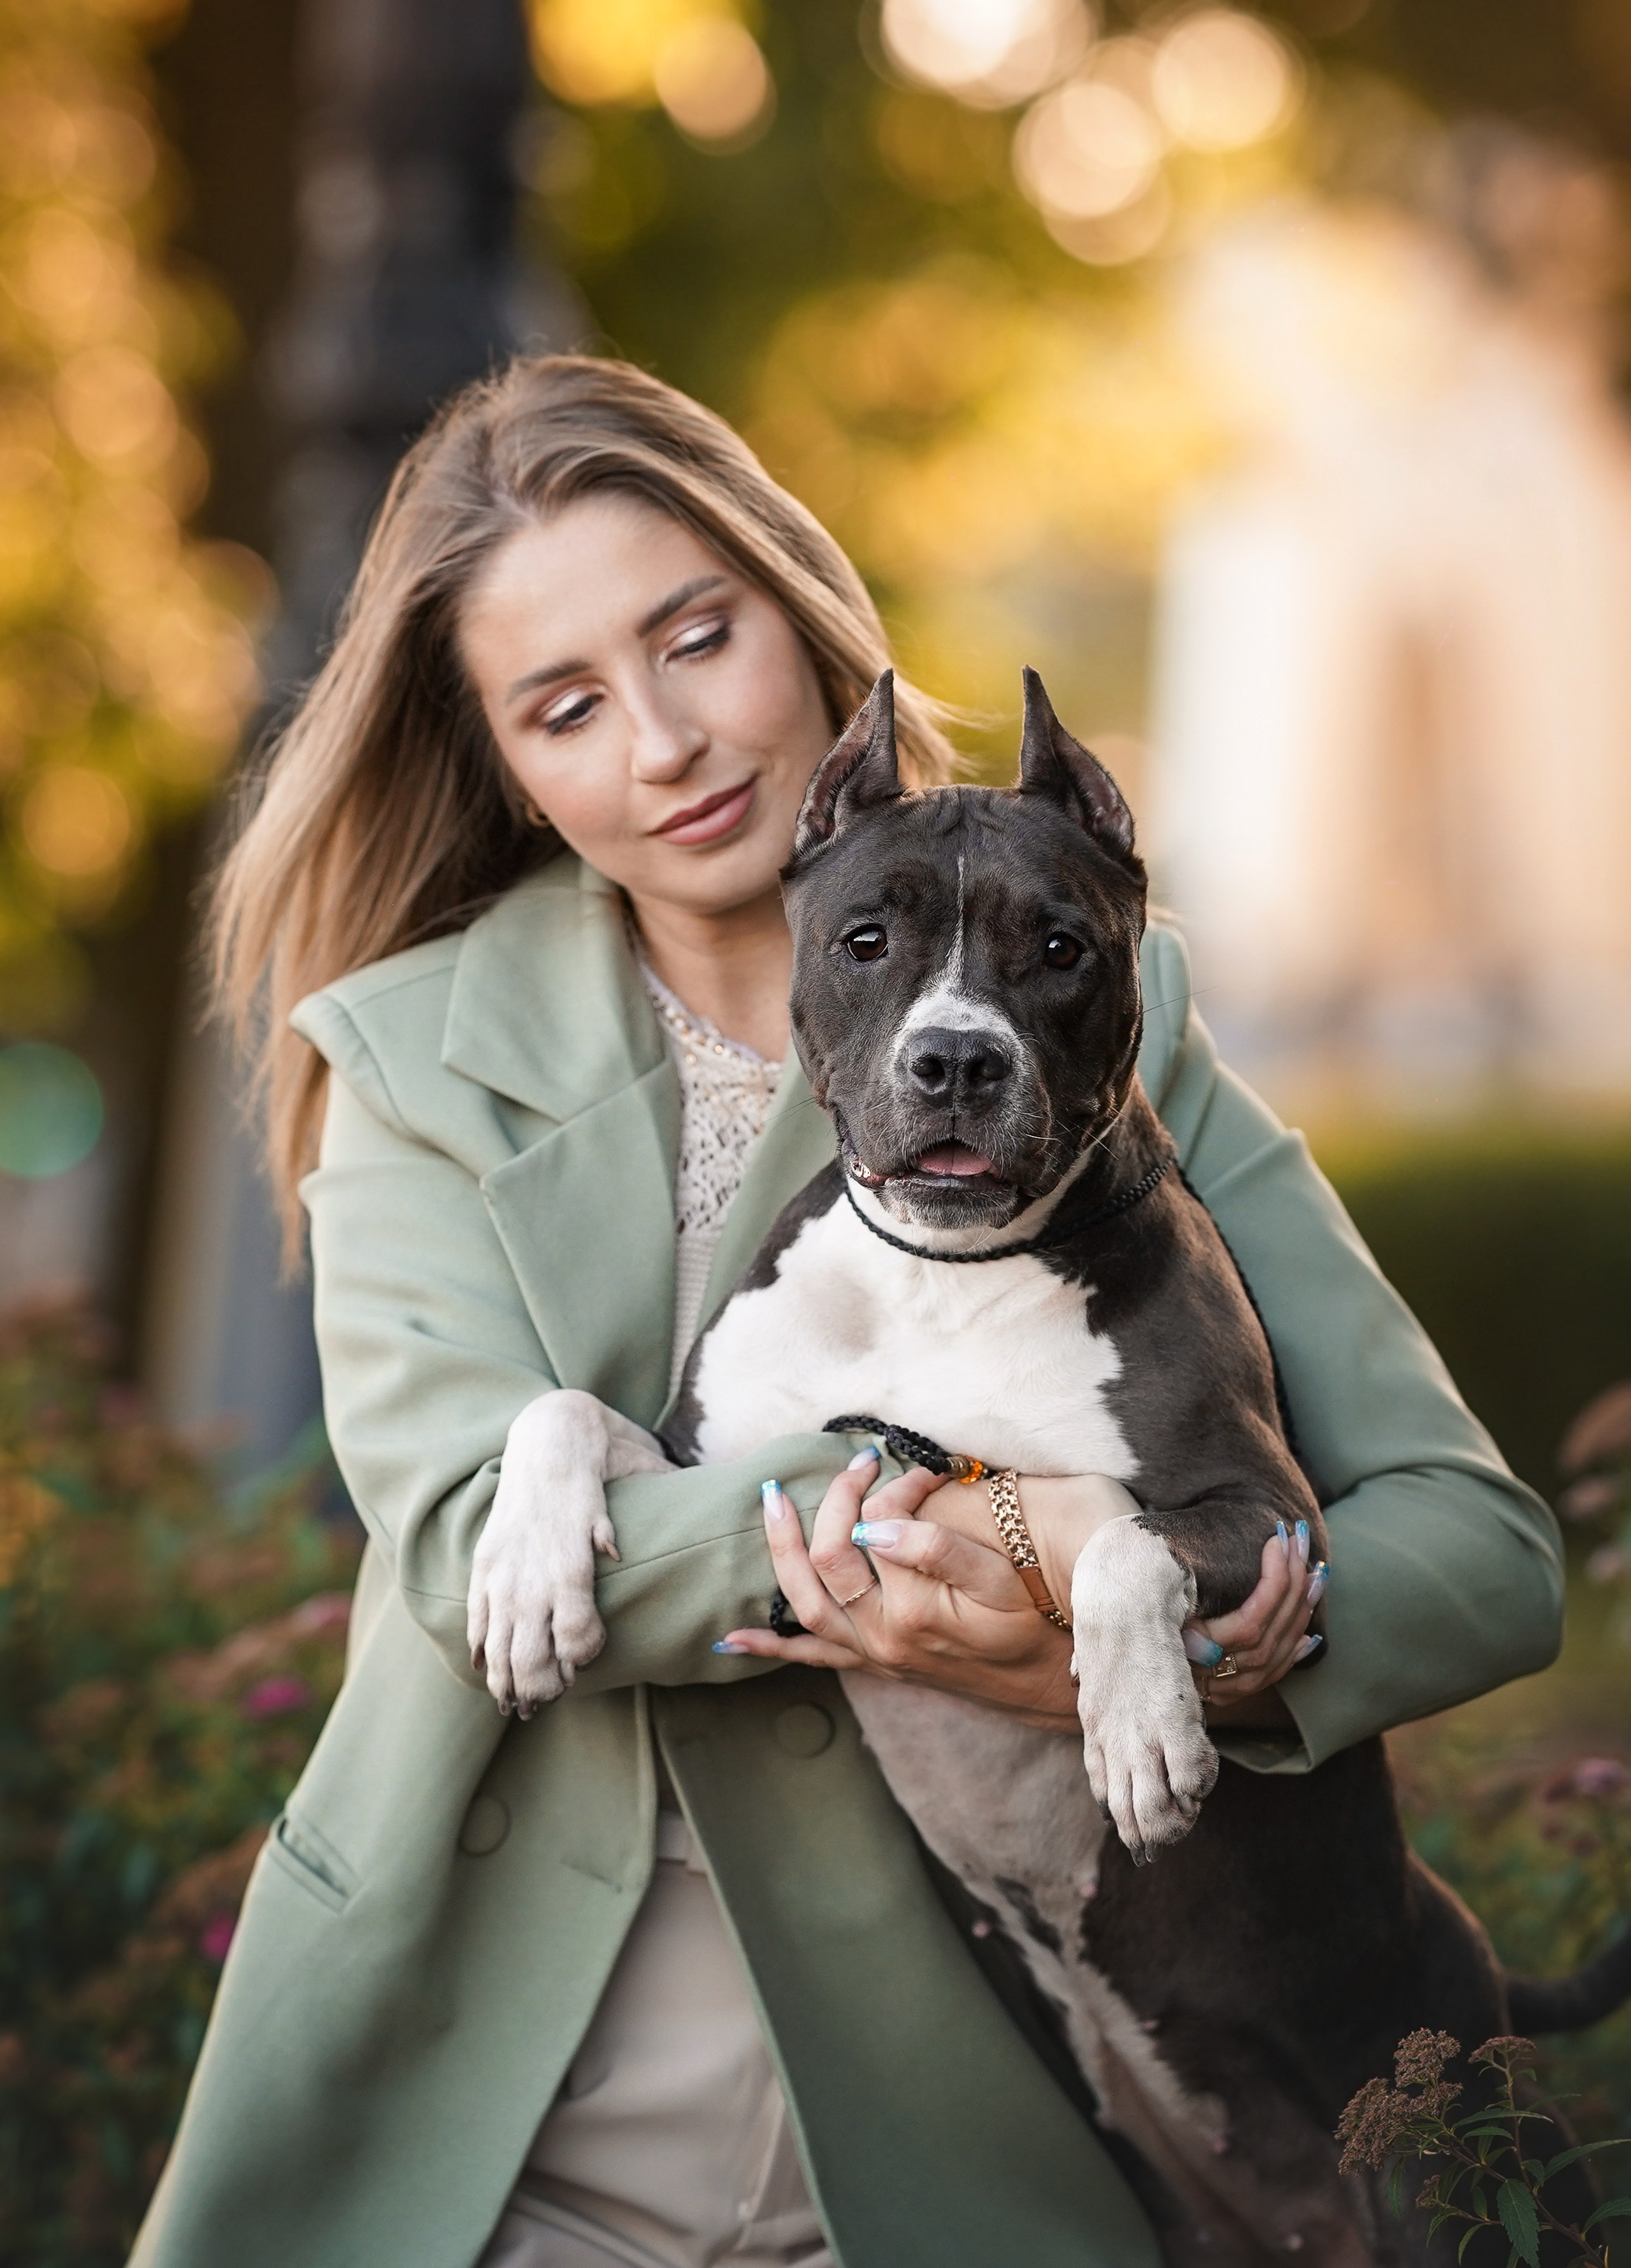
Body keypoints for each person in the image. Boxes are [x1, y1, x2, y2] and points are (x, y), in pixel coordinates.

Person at [129, 356, 1562, 2268]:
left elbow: (1479, 1556)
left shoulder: (1100, 1023)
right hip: (506, 2073)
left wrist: (1183, 1636)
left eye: (695, 637)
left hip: (951, 2107)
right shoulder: (413, 1062)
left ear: (800, 611)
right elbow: (476, 1544)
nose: (664, 741)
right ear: (507, 763)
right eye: (567, 706)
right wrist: (1004, 1525)